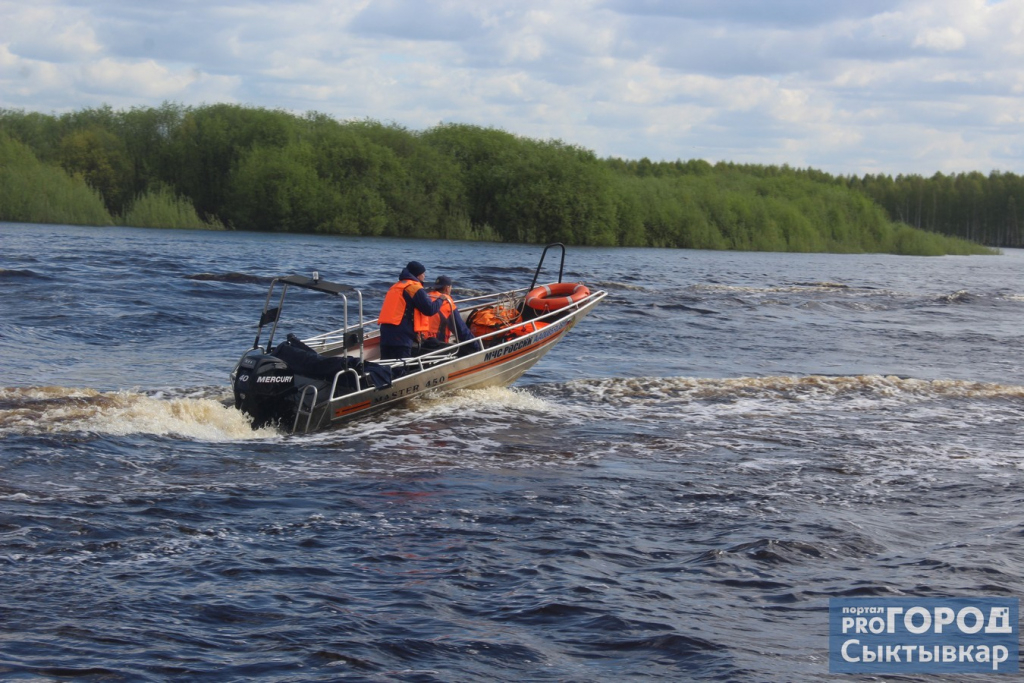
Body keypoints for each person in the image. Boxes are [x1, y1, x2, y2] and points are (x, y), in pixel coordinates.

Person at [378, 261, 445, 360]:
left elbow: (402, 311)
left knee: (386, 365)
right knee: (400, 367)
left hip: (385, 333)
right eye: (423, 273)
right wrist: (440, 299)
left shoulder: (396, 286)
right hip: (401, 337)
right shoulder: (414, 288)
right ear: (418, 275)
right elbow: (430, 309)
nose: (424, 276)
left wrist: (414, 335)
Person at [419, 276, 480, 352]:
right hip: (438, 345)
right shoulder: (447, 303)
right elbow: (461, 329)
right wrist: (476, 345)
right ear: (447, 288)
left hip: (421, 341)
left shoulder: (427, 297)